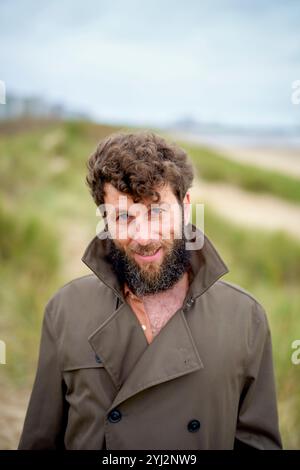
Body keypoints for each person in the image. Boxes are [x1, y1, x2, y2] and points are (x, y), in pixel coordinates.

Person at [18, 131, 282, 450]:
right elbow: (40, 440)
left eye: (157, 212)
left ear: (185, 206)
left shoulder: (246, 318)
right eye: (124, 217)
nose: (143, 236)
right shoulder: (64, 309)